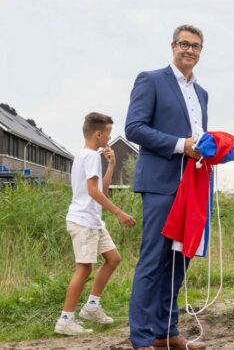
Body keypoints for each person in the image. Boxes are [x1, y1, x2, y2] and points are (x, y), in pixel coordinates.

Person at [125, 25, 209, 350]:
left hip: (193, 185)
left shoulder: (202, 93)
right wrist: (180, 145)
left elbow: (197, 136)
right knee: (153, 261)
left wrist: (211, 146)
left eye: (196, 46)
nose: (190, 50)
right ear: (173, 46)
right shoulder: (151, 79)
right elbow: (134, 127)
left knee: (179, 261)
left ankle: (166, 334)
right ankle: (142, 340)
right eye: (185, 44)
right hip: (160, 184)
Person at [55, 113, 137, 336]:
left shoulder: (87, 156)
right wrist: (119, 213)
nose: (109, 138)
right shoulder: (90, 156)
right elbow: (92, 192)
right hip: (83, 222)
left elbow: (101, 190)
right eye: (108, 133)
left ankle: (91, 306)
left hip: (93, 221)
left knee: (113, 259)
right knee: (84, 269)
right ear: (98, 134)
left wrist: (111, 165)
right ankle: (65, 319)